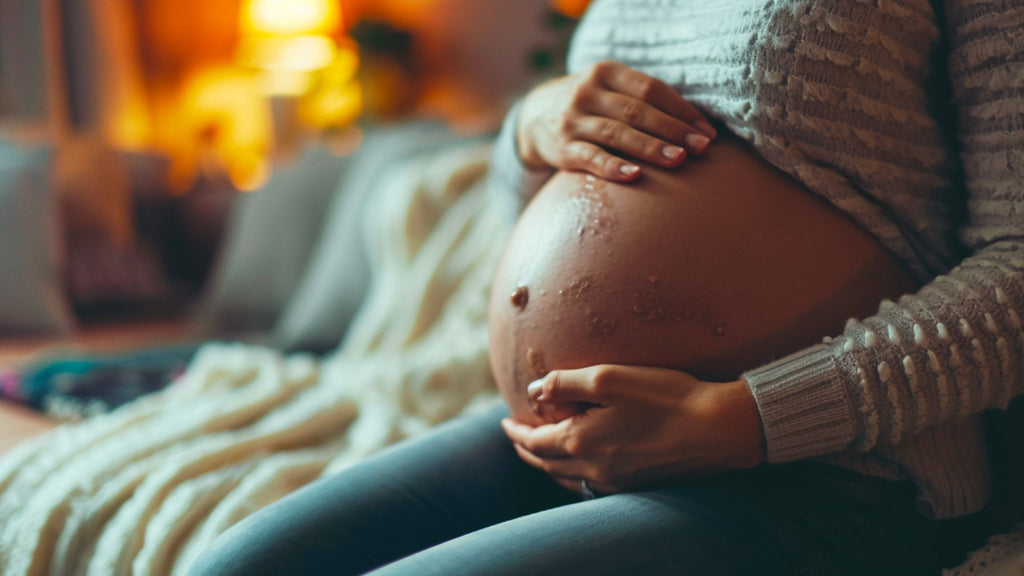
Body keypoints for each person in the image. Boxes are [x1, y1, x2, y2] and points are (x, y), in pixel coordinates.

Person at [188, 0, 1024, 574]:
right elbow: (543, 204)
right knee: (234, 566)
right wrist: (531, 127)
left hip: (826, 474)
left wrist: (749, 420)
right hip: (557, 438)